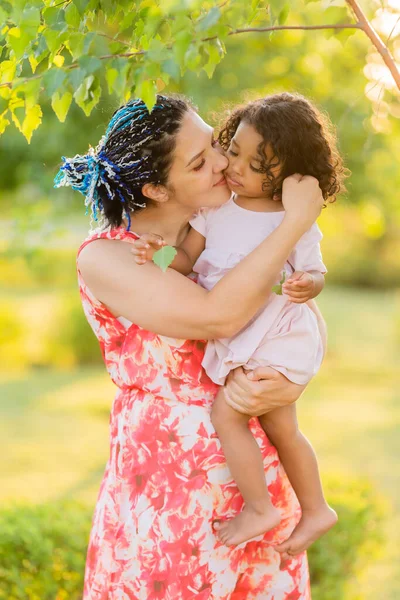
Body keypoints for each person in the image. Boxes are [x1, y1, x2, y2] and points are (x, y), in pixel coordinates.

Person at [55, 95, 325, 599]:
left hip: (256, 480)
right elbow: (218, 316)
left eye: (217, 146)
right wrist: (293, 222)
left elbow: (284, 320)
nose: (224, 163)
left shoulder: (234, 230)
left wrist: (287, 381)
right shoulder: (109, 257)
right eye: (201, 162)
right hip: (171, 489)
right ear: (157, 187)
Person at [131, 93, 344, 550]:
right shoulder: (217, 208)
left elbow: (316, 272)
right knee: (281, 428)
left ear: (291, 174)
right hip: (243, 333)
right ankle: (315, 510)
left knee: (229, 414)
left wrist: (309, 284)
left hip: (277, 334)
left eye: (256, 164)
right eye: (234, 150)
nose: (235, 167)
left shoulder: (295, 221)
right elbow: (187, 255)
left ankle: (261, 509)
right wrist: (159, 263)